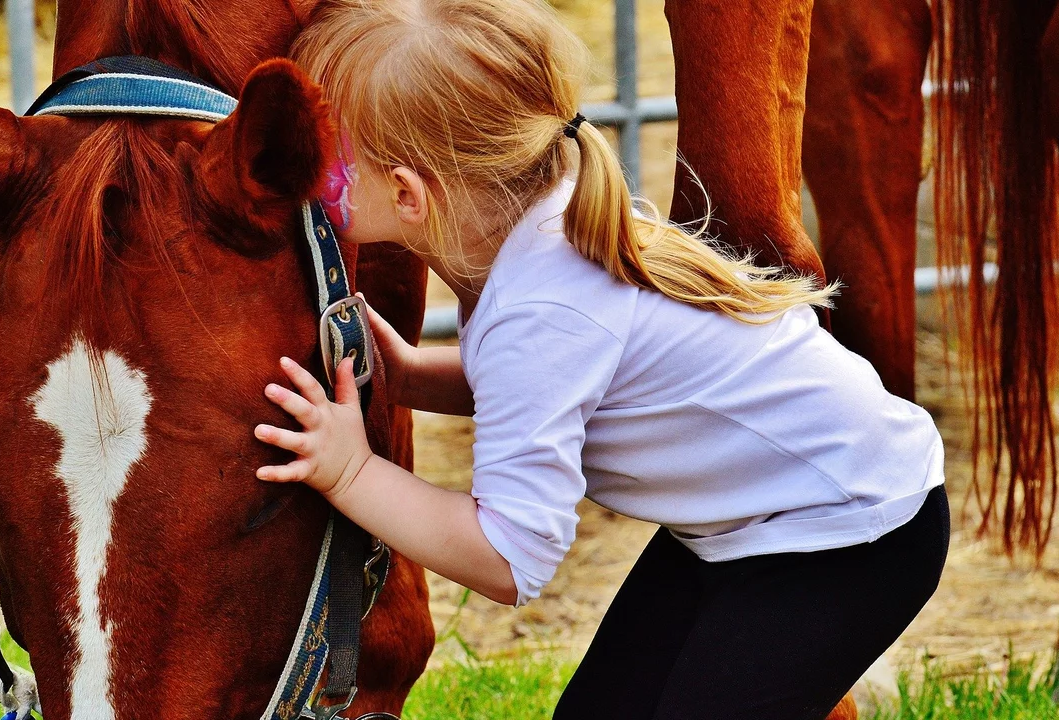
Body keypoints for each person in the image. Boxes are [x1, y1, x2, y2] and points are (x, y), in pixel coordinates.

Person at [252, 0, 949, 717]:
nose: (309, 178)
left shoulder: (542, 308)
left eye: (325, 158)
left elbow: (508, 556)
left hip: (852, 533)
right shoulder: (541, 222)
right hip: (772, 514)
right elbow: (550, 386)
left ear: (405, 192)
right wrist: (405, 374)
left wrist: (352, 472)